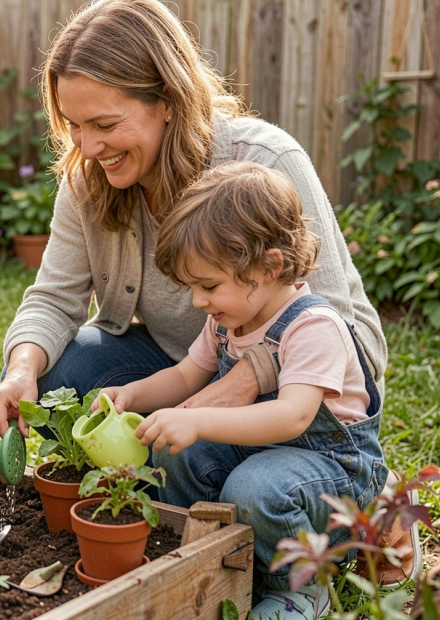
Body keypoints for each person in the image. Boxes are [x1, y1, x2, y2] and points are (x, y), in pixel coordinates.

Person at [0, 0, 414, 609]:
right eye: (73, 126)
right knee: (64, 371)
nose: (87, 145)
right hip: (191, 366)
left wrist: (234, 386)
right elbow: (53, 300)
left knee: (251, 483)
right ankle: (190, 537)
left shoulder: (263, 163)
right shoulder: (88, 179)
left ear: (166, 100)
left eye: (104, 124)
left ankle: (352, 514)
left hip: (303, 402)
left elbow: (348, 334)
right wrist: (22, 371)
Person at [95, 161, 385, 619]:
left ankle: (304, 583)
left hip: (333, 471)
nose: (198, 301)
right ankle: (207, 552)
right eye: (191, 287)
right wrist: (131, 394)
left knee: (254, 487)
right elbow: (186, 376)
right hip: (267, 451)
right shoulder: (226, 319)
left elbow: (292, 417)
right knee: (177, 452)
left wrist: (197, 419)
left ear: (270, 266)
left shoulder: (313, 327)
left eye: (208, 285)